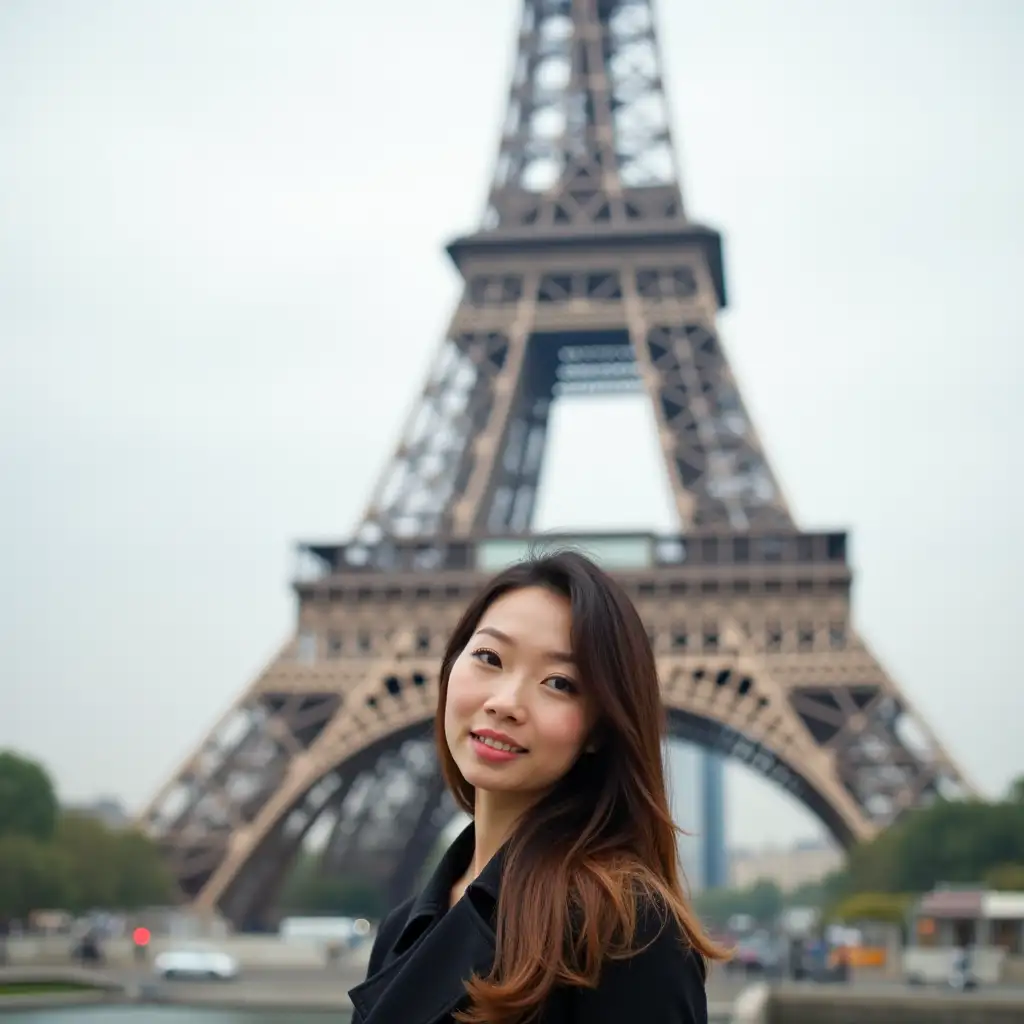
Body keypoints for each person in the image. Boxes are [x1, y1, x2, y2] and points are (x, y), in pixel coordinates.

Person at [347, 551, 726, 1024]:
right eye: (489, 657)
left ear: (598, 730)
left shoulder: (625, 932)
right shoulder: (401, 928)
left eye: (559, 683)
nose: (505, 703)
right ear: (450, 665)